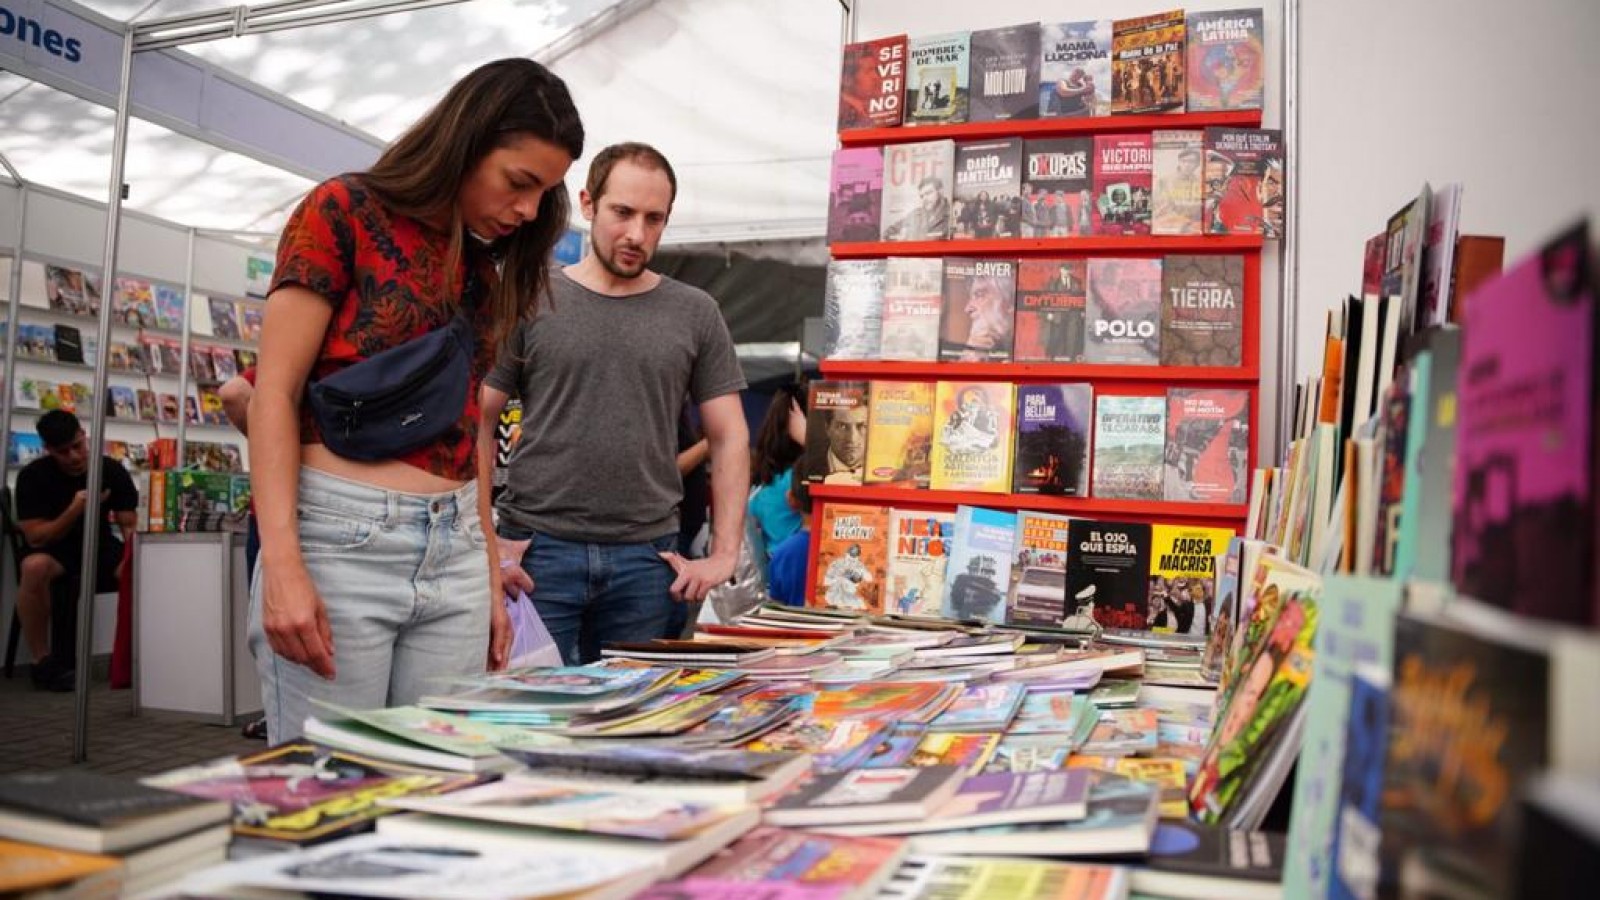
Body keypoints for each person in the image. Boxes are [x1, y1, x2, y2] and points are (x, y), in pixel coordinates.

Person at [248, 58, 584, 743]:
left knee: (436, 791)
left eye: (543, 193)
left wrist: (489, 574)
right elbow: (272, 395)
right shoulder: (340, 210)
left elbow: (472, 432)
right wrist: (282, 562)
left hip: (457, 544)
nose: (526, 210)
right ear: (467, 140)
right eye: (520, 183)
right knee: (332, 800)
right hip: (341, 540)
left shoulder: (485, 270)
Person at [480, 142, 750, 665]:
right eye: (622, 213)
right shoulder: (531, 295)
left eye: (654, 219)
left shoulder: (695, 312)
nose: (636, 235)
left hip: (647, 560)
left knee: (631, 731)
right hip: (536, 552)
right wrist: (486, 542)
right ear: (587, 204)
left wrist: (724, 553)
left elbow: (730, 434)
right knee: (525, 724)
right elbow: (478, 418)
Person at [14, 411, 138, 691]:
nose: (73, 456)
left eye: (77, 446)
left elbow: (128, 525)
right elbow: (35, 538)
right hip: (55, 550)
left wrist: (130, 562)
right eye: (62, 452)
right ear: (48, 450)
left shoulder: (109, 469)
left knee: (140, 567)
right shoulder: (33, 477)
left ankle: (142, 656)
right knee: (34, 567)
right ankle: (42, 660)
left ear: (84, 436)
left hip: (101, 546)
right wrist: (75, 509)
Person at [747, 383, 808, 561]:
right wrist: (808, 437)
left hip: (771, 568)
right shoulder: (801, 477)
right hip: (800, 564)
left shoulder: (764, 479)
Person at [883, 175, 951, 241]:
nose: (925, 198)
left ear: (940, 191)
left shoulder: (952, 213)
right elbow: (887, 233)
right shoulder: (915, 214)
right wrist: (900, 237)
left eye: (928, 193)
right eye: (922, 196)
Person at [818, 403, 868, 485]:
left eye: (862, 426)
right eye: (842, 426)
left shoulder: (889, 472)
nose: (852, 439)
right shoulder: (805, 469)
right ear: (827, 428)